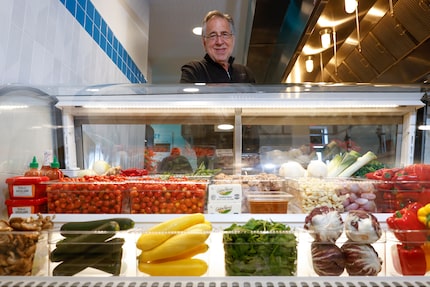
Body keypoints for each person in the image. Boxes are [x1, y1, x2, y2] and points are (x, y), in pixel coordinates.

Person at [180, 10, 256, 83]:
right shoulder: (194, 70)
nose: (219, 42)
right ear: (204, 42)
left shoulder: (246, 73)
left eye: (224, 34)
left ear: (232, 40)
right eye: (213, 35)